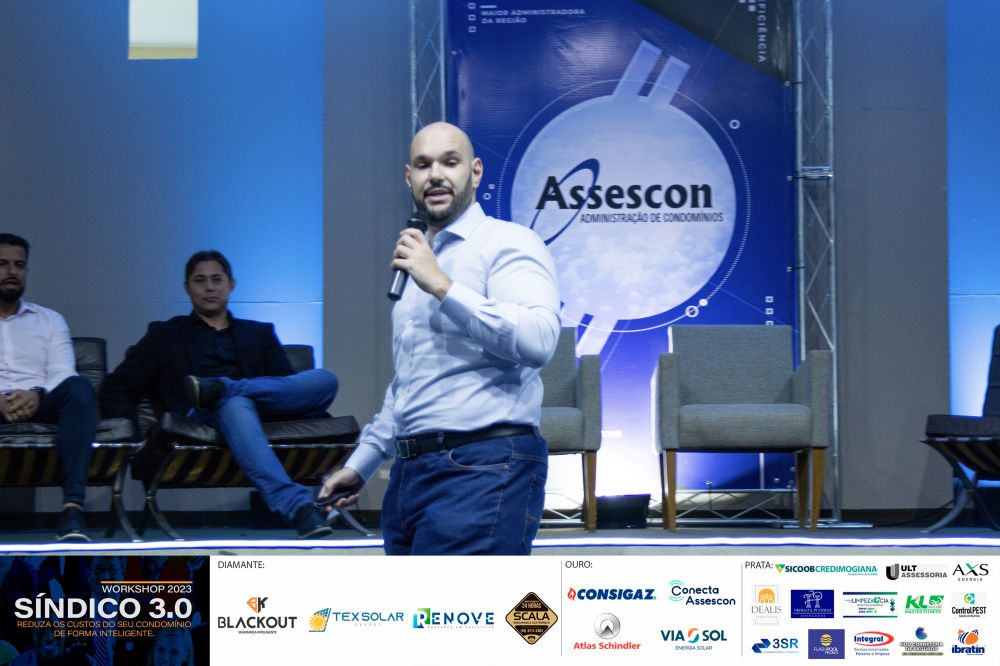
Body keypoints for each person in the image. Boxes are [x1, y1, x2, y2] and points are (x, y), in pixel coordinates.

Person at [319, 122, 560, 554]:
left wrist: (443, 286)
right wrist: (363, 463)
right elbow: (410, 384)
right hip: (410, 475)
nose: (435, 175)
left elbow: (539, 340)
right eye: (423, 164)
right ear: (408, 177)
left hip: (485, 466)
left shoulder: (508, 242)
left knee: (464, 600)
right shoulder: (417, 263)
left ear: (476, 171)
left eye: (450, 162)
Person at [99, 250, 339, 539]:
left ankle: (222, 387)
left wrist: (231, 389)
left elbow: (283, 385)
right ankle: (298, 507)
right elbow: (117, 385)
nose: (209, 287)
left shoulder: (259, 333)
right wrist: (134, 435)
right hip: (199, 420)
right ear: (187, 287)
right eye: (200, 281)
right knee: (235, 405)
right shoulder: (164, 335)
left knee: (326, 379)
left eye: (217, 279)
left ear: (231, 285)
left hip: (261, 413)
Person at [0, 233, 97, 542]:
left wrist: (36, 393)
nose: (11, 272)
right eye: (2, 264)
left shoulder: (49, 320)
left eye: (19, 265)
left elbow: (62, 370)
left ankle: (72, 510)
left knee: (79, 388)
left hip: (41, 401)